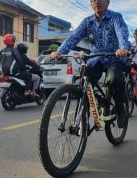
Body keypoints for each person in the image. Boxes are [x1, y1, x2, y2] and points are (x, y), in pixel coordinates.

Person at [50, 0, 130, 128]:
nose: (97, 1)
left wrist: (123, 48)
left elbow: (122, 34)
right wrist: (60, 51)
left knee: (114, 80)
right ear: (91, 4)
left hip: (114, 57)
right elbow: (74, 37)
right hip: (96, 58)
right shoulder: (87, 22)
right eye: (94, 0)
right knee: (84, 82)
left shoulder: (115, 17)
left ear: (108, 2)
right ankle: (84, 119)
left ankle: (121, 109)